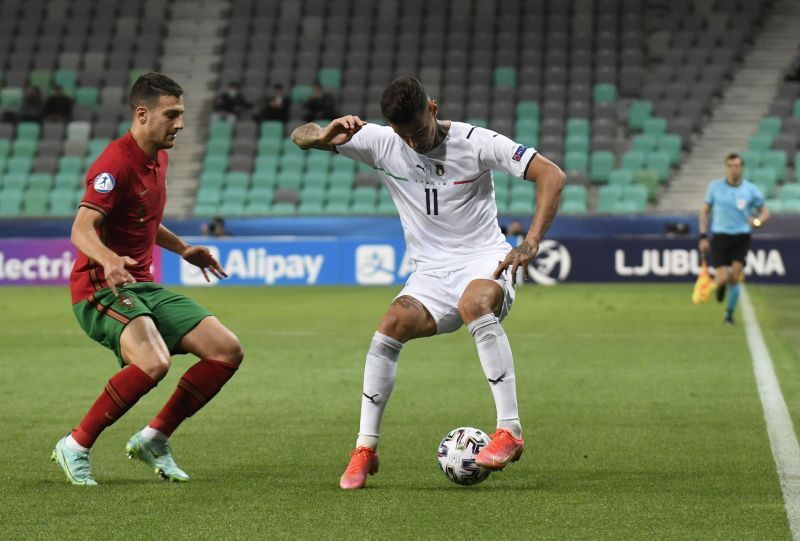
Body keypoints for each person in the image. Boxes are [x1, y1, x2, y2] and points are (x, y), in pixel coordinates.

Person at [291, 76, 565, 490]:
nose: (414, 144)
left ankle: (509, 431)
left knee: (475, 303)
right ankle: (365, 448)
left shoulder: (476, 141)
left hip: (483, 259)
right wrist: (322, 135)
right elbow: (300, 135)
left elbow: (552, 175)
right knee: (389, 326)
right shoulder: (382, 142)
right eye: (405, 136)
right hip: (430, 274)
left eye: (419, 132)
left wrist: (529, 242)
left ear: (433, 109)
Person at [51, 72, 244, 486]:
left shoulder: (160, 156)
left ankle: (154, 438)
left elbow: (144, 219)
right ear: (142, 114)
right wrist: (107, 260)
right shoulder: (114, 162)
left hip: (142, 286)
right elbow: (81, 229)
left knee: (226, 350)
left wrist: (183, 250)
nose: (180, 124)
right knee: (153, 362)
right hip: (101, 289)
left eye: (182, 114)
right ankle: (75, 445)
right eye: (171, 114)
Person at [699, 153, 769, 325]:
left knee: (735, 277)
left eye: (736, 165)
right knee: (722, 278)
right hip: (720, 236)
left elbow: (765, 212)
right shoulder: (715, 187)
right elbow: (704, 211)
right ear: (726, 167)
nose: (733, 169)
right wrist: (703, 236)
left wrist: (758, 222)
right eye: (730, 165)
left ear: (742, 168)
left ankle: (728, 315)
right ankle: (720, 287)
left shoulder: (750, 190)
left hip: (741, 237)